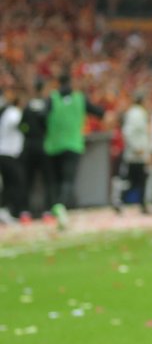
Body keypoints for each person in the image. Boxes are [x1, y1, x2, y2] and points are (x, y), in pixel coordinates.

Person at [44, 72, 105, 227]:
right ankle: (61, 207)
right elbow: (99, 112)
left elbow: (41, 116)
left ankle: (54, 208)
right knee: (68, 180)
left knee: (55, 180)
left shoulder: (52, 98)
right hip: (73, 144)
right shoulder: (79, 98)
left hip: (53, 145)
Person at [19, 79, 55, 221]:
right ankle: (47, 211)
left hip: (29, 146)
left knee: (28, 180)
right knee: (47, 180)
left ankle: (25, 211)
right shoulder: (47, 105)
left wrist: (27, 132)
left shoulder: (28, 106)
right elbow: (50, 125)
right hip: (43, 146)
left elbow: (21, 126)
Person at [116, 92, 151, 214]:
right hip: (136, 154)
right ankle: (121, 201)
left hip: (137, 153)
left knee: (137, 180)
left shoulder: (136, 112)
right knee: (134, 180)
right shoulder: (136, 114)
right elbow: (128, 132)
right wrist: (137, 147)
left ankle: (140, 204)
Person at [0, 84, 25, 225]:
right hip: (8, 153)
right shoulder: (13, 112)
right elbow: (19, 124)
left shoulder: (6, 112)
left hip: (5, 152)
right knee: (15, 183)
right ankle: (9, 210)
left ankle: (5, 210)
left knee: (9, 183)